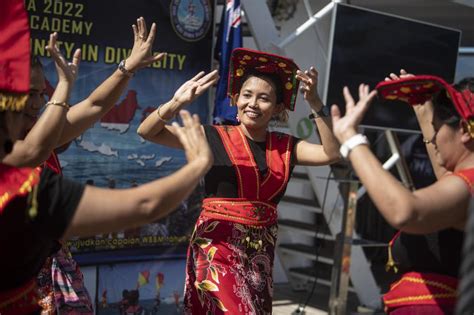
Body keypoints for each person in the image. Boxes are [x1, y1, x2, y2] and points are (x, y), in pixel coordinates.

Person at [0, 4, 213, 314]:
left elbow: (95, 104)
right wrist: (197, 164)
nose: (36, 102)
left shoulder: (44, 136)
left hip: (50, 269)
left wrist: (127, 67)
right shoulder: (26, 164)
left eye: (40, 93)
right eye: (27, 94)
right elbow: (145, 205)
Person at [138, 48, 340, 314]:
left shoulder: (286, 147)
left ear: (278, 108)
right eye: (247, 95)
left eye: (264, 98)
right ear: (235, 99)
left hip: (259, 257)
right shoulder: (212, 137)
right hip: (216, 250)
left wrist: (315, 103)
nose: (253, 104)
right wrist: (177, 102)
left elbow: (331, 153)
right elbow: (147, 131)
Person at [330, 74, 474, 314]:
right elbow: (446, 175)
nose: (432, 139)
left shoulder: (468, 185)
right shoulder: (461, 183)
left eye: (436, 129)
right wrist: (422, 110)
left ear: (464, 130)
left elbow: (406, 212)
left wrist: (351, 140)